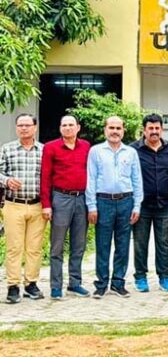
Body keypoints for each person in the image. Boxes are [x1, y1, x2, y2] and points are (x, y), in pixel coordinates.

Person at [86, 116, 144, 298]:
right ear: (105, 130)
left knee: (123, 244)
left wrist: (137, 205)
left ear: (123, 131)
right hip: (103, 202)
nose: (115, 131)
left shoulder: (131, 152)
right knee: (102, 244)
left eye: (118, 128)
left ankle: (118, 283)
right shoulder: (96, 151)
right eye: (111, 128)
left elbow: (137, 179)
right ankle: (101, 284)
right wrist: (91, 206)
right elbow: (91, 179)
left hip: (126, 201)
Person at [40, 115, 91, 300]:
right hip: (60, 198)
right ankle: (56, 286)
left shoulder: (86, 146)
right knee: (57, 245)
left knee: (79, 244)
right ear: (60, 128)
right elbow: (45, 177)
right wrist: (46, 204)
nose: (68, 128)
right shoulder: (51, 147)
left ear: (78, 127)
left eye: (71, 125)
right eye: (64, 125)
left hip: (82, 198)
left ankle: (75, 283)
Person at [130, 113, 168, 293]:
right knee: (140, 243)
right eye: (150, 128)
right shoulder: (133, 150)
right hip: (142, 205)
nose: (154, 131)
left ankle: (164, 277)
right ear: (144, 130)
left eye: (157, 128)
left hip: (165, 205)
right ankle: (140, 277)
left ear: (161, 129)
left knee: (164, 242)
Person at [1, 114, 45, 304]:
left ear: (35, 127)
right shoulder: (7, 149)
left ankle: (31, 284)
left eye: (27, 125)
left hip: (37, 205)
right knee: (14, 247)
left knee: (34, 248)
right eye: (20, 125)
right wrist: (6, 180)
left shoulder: (44, 150)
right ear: (16, 128)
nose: (24, 128)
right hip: (13, 204)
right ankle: (13, 286)